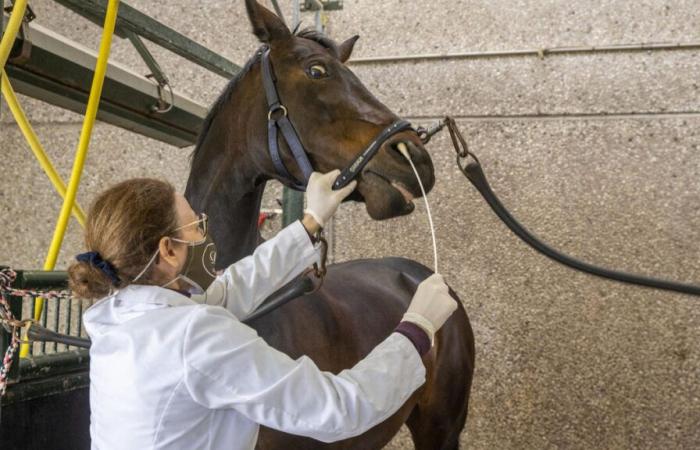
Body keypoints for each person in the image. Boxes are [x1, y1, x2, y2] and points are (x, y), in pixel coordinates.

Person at [69, 170, 458, 449]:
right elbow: (336, 410)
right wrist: (416, 329)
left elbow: (229, 290)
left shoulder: (123, 314)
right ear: (168, 251)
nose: (206, 236)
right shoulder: (191, 336)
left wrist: (311, 221)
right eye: (196, 228)